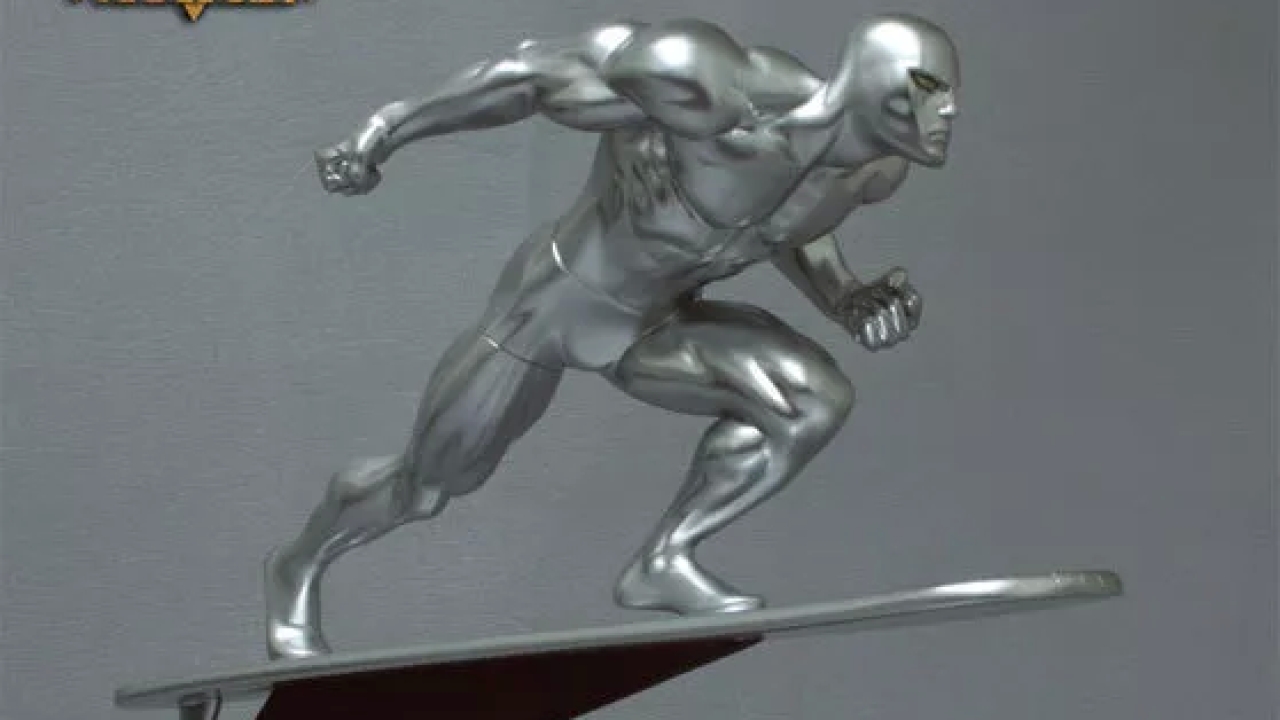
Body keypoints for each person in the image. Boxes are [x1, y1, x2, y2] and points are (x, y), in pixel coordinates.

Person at [265, 13, 960, 660]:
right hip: (557, 302)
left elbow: (784, 225)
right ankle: (297, 566)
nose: (950, 110)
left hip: (657, 325)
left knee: (812, 401)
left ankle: (664, 561)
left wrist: (845, 295)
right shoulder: (711, 88)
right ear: (874, 87)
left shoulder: (873, 173)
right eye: (930, 89)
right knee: (426, 486)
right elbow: (532, 77)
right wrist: (387, 129)